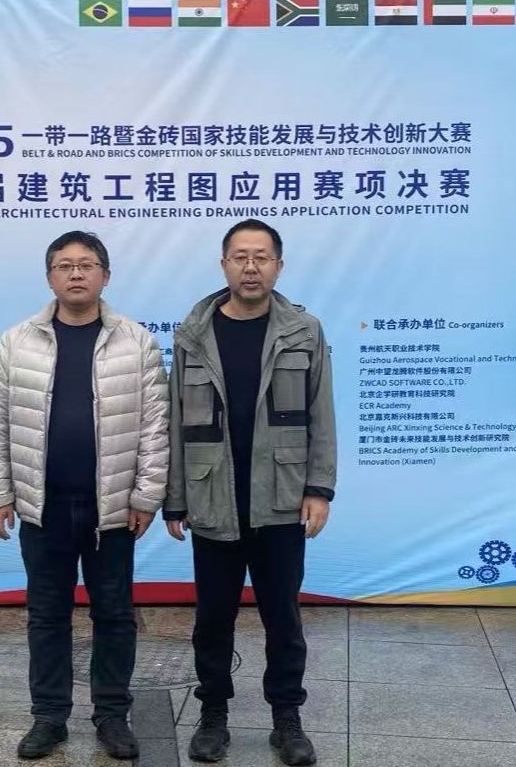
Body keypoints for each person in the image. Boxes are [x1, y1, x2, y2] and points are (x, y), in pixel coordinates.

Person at [0, 231, 170, 760]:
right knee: (46, 615)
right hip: (44, 507)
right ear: (50, 277)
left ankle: (112, 716)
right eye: (65, 265)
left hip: (112, 509)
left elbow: (155, 427)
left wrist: (146, 496)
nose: (76, 273)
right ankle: (49, 717)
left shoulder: (136, 342)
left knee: (115, 615)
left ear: (106, 276)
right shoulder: (17, 342)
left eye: (87, 264)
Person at [163, 219, 336, 766]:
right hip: (212, 498)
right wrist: (174, 498)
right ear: (224, 265)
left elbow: (321, 414)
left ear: (279, 266)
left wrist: (319, 488)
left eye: (262, 257)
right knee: (212, 619)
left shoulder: (303, 331)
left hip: (280, 501)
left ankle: (287, 719)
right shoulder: (194, 333)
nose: (251, 266)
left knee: (282, 618)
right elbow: (175, 420)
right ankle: (213, 715)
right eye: (240, 256)